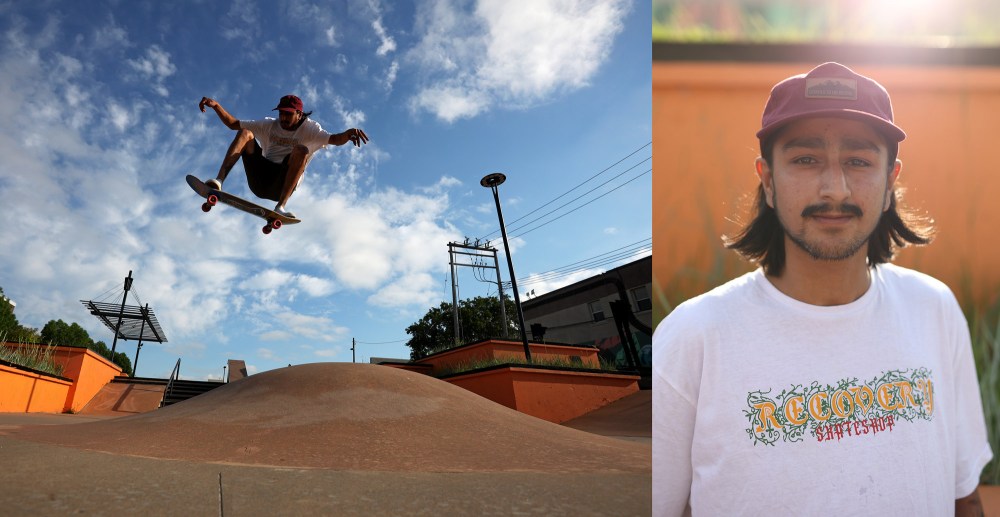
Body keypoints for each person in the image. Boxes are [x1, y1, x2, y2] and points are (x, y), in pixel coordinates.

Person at [652, 62, 992, 516]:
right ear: (769, 181)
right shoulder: (692, 337)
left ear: (890, 181)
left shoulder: (934, 309)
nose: (834, 189)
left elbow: (964, 495)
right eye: (805, 159)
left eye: (859, 160)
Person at [198, 94, 369, 218]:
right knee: (245, 133)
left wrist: (347, 134)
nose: (283, 118)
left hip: (282, 184)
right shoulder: (269, 125)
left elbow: (335, 139)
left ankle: (281, 206)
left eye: (288, 114)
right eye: (281, 113)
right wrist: (216, 106)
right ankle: (219, 181)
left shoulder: (311, 129)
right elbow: (233, 124)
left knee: (301, 150)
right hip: (260, 179)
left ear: (299, 114)